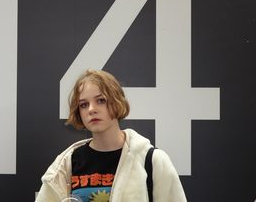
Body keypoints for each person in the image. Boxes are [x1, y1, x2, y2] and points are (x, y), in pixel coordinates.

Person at [35, 69, 187, 202]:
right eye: (83, 104)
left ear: (117, 102)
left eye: (101, 100)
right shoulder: (66, 164)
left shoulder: (153, 161)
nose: (91, 109)